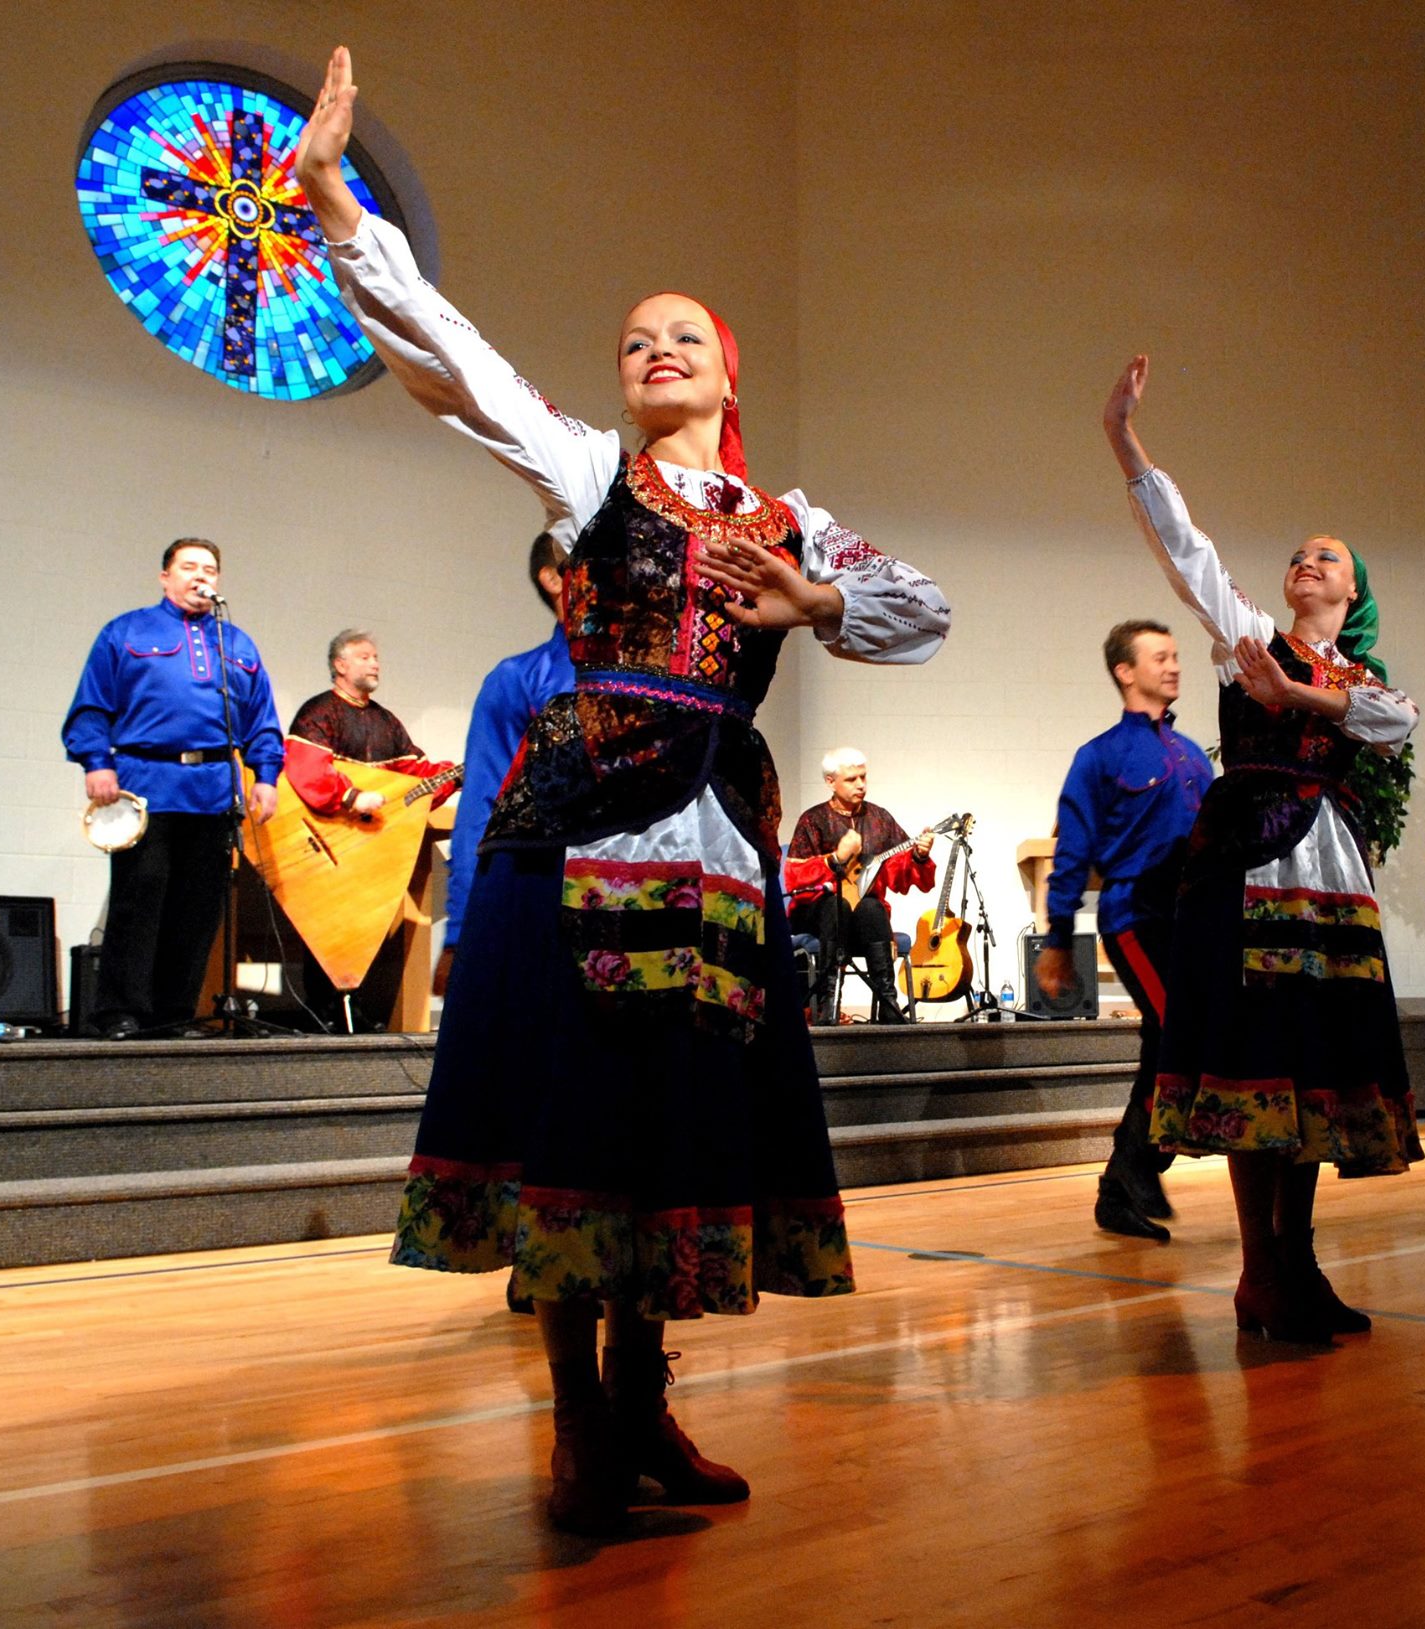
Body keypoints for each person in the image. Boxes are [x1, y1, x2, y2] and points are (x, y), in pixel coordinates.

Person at [297, 46, 950, 1536]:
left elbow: (925, 610)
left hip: (714, 844)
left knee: (671, 1124)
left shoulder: (796, 525)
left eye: (682, 336)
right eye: (634, 339)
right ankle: (579, 1415)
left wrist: (816, 605)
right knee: (576, 1120)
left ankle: (647, 1398)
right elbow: (452, 360)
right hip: (579, 834)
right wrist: (340, 199)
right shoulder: (593, 476)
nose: (654, 350)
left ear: (731, 367)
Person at [1102, 353, 1422, 1345]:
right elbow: (1184, 550)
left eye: (1326, 559)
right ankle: (1257, 1269)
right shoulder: (1249, 636)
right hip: (1249, 861)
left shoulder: (1362, 679)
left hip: (1326, 869)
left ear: (1352, 591)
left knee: (1314, 1060)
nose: (1306, 564)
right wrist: (1123, 439)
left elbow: (1393, 721)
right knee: (1257, 1056)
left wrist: (1305, 699)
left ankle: (1297, 1256)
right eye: (1299, 553)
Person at [1034, 619, 1213, 1242]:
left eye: (1176, 656)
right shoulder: (1100, 756)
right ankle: (1137, 1167)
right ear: (1125, 670)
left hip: (1192, 918)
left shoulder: (1192, 755)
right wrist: (1059, 940)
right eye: (1160, 657)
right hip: (1137, 914)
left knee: (1173, 1041)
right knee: (1180, 1033)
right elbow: (1072, 851)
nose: (1174, 666)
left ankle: (1124, 1182)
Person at [62, 539, 282, 1039]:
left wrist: (266, 776)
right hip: (145, 785)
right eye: (188, 567)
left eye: (209, 568)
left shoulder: (238, 644)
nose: (199, 575)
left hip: (212, 791)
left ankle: (174, 1011)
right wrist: (97, 763)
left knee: (197, 909)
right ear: (165, 576)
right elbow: (92, 706)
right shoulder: (127, 631)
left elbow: (261, 721)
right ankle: (120, 1011)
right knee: (139, 902)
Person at [284, 628, 457, 1031]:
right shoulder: (319, 713)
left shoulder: (386, 722)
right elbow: (306, 771)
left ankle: (352, 1009)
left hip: (367, 850)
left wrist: (456, 773)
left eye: (376, 656)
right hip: (322, 844)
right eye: (364, 656)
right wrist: (350, 798)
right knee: (328, 926)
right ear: (339, 665)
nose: (374, 662)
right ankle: (323, 1010)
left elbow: (413, 778)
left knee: (364, 927)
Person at [433, 533, 575, 1001]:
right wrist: (460, 931)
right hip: (544, 898)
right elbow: (482, 811)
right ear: (553, 579)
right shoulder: (518, 679)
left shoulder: (656, 675)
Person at [784, 748, 936, 1024]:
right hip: (817, 915)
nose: (861, 785)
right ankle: (830, 1004)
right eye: (852, 779)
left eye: (863, 777)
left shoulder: (879, 818)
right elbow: (794, 877)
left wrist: (919, 856)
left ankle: (888, 1003)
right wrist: (835, 860)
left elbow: (899, 876)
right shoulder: (812, 819)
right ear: (831, 782)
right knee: (836, 904)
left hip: (863, 921)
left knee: (872, 907)